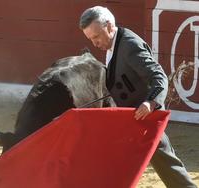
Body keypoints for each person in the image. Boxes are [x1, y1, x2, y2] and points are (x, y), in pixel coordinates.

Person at [79, 6, 197, 188]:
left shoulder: (130, 46)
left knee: (168, 166)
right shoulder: (113, 43)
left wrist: (151, 103)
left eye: (96, 36)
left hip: (145, 119)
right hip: (130, 120)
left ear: (109, 26)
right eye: (90, 39)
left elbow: (159, 76)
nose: (95, 43)